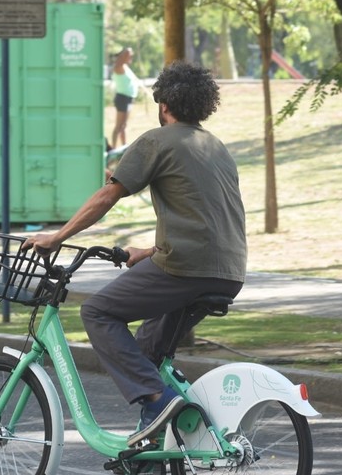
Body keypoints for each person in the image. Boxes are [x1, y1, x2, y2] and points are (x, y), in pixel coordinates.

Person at [23, 62, 247, 445]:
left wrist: (57, 236)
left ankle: (160, 402)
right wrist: (146, 252)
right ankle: (161, 439)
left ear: (163, 104)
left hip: (184, 269)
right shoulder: (215, 146)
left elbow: (108, 194)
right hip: (228, 272)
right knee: (146, 350)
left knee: (97, 311)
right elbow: (202, 216)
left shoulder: (157, 141)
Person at [110, 47, 140, 149]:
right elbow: (119, 62)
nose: (130, 57)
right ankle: (113, 149)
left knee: (123, 126)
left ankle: (124, 147)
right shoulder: (119, 67)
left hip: (128, 99)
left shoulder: (126, 67)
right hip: (122, 98)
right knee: (118, 126)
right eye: (128, 55)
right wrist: (126, 52)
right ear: (122, 56)